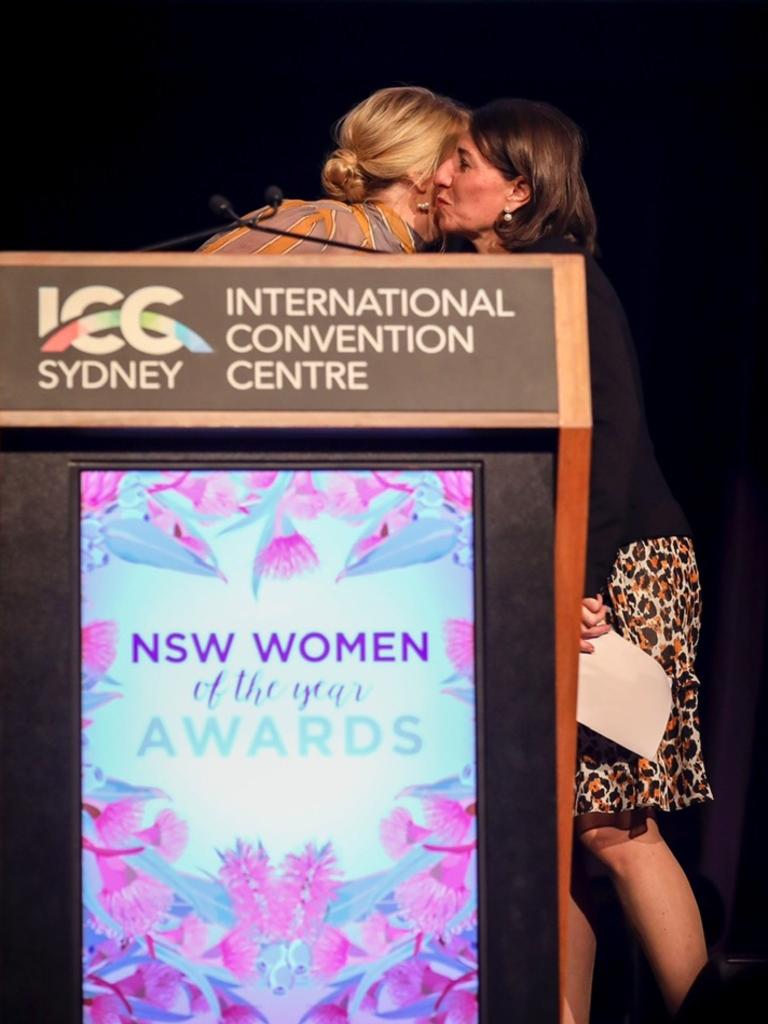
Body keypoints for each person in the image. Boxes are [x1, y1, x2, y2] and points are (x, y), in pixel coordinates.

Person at [433, 99, 713, 1023]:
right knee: (540, 834)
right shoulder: (481, 288)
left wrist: (578, 588)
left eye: (463, 161)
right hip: (547, 568)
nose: (442, 178)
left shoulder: (566, 282)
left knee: (613, 826)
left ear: (518, 190)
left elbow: (611, 445)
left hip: (622, 564)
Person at [201, 85, 467, 256]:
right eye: (462, 164)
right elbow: (190, 292)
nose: (468, 178)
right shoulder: (322, 226)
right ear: (417, 172)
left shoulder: (417, 259)